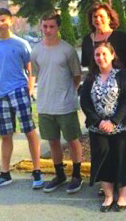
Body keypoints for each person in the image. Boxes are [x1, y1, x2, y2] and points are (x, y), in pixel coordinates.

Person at [0, 8, 44, 191]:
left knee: (29, 131)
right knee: (5, 135)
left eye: (3, 20)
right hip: (0, 95)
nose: (0, 24)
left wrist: (30, 88)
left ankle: (37, 171)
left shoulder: (21, 44)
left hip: (19, 91)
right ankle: (4, 173)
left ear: (11, 21)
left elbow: (30, 68)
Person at [30, 12, 83, 194]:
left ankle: (76, 175)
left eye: (52, 26)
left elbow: (77, 76)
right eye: (45, 26)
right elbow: (37, 74)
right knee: (52, 141)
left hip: (65, 105)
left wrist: (66, 92)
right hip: (45, 104)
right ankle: (59, 175)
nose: (48, 30)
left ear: (58, 27)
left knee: (72, 140)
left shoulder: (67, 50)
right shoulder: (36, 50)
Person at [80, 42, 126, 212]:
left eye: (104, 54)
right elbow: (85, 103)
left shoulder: (123, 76)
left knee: (122, 159)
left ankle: (123, 196)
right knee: (103, 161)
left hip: (122, 127)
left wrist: (113, 121)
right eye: (97, 55)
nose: (101, 58)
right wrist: (99, 122)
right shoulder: (90, 79)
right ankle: (109, 195)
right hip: (98, 129)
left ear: (112, 55)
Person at [81, 2, 126, 70]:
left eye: (101, 16)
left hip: (119, 79)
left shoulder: (120, 37)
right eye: (95, 16)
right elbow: (86, 63)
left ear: (109, 18)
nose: (98, 19)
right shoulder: (87, 40)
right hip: (97, 79)